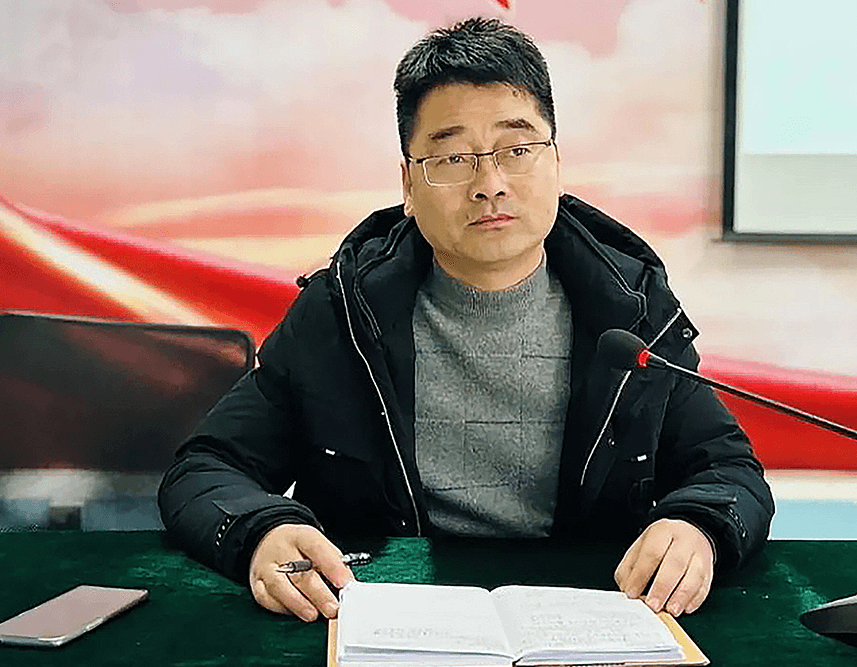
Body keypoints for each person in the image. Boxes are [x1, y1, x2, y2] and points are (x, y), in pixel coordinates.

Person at [158, 17, 773, 624]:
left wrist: (697, 525)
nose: (490, 184)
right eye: (453, 157)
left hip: (584, 623)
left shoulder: (632, 312)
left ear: (556, 163)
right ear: (408, 184)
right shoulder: (341, 313)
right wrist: (262, 531)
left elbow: (728, 471)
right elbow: (206, 469)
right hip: (386, 621)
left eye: (517, 150)